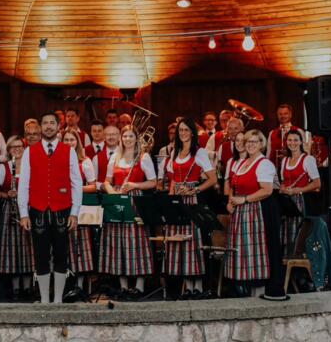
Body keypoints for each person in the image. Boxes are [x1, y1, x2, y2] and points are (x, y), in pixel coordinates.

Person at [17, 112, 83, 304]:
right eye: (44, 123)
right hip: (37, 209)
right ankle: (45, 299)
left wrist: (75, 212)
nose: (48, 126)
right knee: (41, 254)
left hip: (62, 209)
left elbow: (76, 183)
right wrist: (23, 213)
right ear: (40, 127)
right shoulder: (30, 151)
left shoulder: (69, 151)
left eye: (51, 123)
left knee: (62, 253)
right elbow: (24, 184)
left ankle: (58, 299)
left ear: (58, 126)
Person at [101, 125, 157, 300]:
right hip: (118, 201)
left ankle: (139, 286)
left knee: (137, 242)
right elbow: (106, 181)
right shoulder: (115, 156)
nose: (127, 139)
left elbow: (153, 182)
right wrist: (113, 193)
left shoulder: (143, 157)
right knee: (118, 242)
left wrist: (134, 185)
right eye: (125, 136)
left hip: (135, 201)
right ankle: (123, 286)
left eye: (131, 136)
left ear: (136, 138)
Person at [165, 118, 217, 299]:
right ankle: (187, 287)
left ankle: (198, 287)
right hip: (177, 200)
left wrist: (195, 189)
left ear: (193, 133)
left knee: (193, 242)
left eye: (186, 130)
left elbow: (212, 179)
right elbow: (173, 179)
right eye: (180, 130)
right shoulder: (174, 152)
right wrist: (170, 201)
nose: (183, 133)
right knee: (180, 242)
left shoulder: (200, 152)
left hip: (192, 200)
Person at [224, 129, 278, 298]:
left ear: (261, 144)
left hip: (255, 213)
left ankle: (258, 294)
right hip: (239, 213)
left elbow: (267, 190)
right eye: (248, 141)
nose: (250, 145)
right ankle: (244, 293)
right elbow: (233, 186)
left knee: (254, 253)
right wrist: (230, 202)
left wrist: (245, 199)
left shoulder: (264, 164)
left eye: (254, 142)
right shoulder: (241, 163)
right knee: (241, 253)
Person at [0, 135, 35, 300]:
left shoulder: (31, 166)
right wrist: (5, 194)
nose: (17, 149)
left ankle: (28, 287)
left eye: (20, 146)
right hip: (10, 210)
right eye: (13, 147)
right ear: (9, 150)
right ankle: (16, 288)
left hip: (29, 209)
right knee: (13, 248)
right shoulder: (4, 168)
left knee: (28, 247)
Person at [62, 128, 97, 297]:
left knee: (80, 246)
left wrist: (76, 188)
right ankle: (65, 285)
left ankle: (80, 286)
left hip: (79, 207)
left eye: (72, 140)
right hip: (62, 206)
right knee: (64, 245)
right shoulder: (57, 159)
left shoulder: (85, 161)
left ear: (77, 142)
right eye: (66, 140)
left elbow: (93, 186)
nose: (69, 143)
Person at [279, 130, 321, 255]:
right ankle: (288, 260)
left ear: (301, 142)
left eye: (296, 140)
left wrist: (298, 190)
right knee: (286, 233)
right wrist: (282, 188)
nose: (292, 143)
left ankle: (298, 260)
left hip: (300, 202)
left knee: (298, 233)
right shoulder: (285, 160)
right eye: (289, 140)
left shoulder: (308, 159)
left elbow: (317, 183)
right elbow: (283, 181)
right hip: (286, 202)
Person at [266, 104, 304, 169]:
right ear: (277, 115)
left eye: (285, 113)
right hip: (274, 169)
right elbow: (268, 153)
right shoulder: (271, 133)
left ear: (290, 115)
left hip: (293, 168)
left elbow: (303, 151)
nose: (283, 116)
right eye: (280, 114)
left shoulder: (299, 131)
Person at [156, 122, 177, 191]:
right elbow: (160, 168)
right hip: (166, 184)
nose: (173, 135)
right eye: (171, 133)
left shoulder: (183, 150)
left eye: (175, 133)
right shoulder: (163, 150)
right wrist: (159, 181)